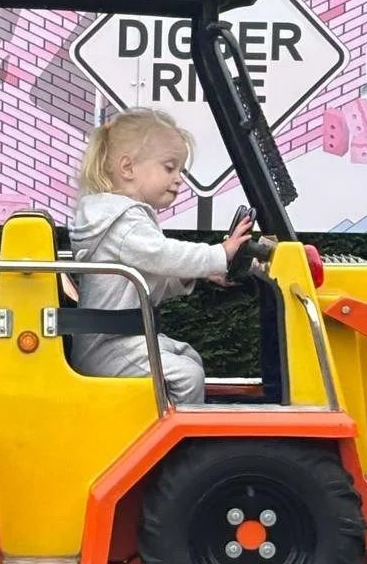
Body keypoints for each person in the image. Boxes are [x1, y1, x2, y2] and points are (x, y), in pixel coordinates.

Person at [69, 109, 252, 406]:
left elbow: (152, 279)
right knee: (186, 376)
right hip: (108, 346)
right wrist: (219, 254)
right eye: (170, 168)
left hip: (119, 339)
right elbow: (164, 254)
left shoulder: (121, 218)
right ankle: (184, 450)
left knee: (188, 357)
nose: (179, 180)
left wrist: (202, 272)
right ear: (127, 168)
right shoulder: (122, 221)